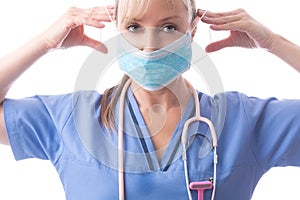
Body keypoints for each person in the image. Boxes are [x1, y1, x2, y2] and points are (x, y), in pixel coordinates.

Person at [0, 0, 300, 199]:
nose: (149, 45)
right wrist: (45, 43)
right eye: (134, 27)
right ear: (116, 30)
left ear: (192, 31)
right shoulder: (71, 119)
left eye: (169, 27)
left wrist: (274, 43)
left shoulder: (241, 122)